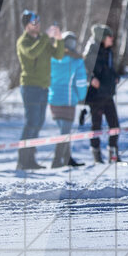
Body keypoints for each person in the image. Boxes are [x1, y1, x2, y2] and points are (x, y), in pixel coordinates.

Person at [16, 10, 64, 170]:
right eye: (34, 22)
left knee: (39, 122)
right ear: (26, 25)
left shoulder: (42, 41)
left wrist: (59, 39)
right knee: (31, 122)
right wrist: (46, 37)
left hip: (44, 87)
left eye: (38, 21)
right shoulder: (23, 41)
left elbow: (58, 55)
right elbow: (32, 53)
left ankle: (30, 159)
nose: (38, 25)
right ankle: (22, 160)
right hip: (30, 87)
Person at [48, 31, 88, 168]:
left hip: (53, 100)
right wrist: (82, 97)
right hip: (68, 100)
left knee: (63, 130)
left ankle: (67, 158)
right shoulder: (76, 61)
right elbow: (81, 82)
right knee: (65, 132)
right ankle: (56, 160)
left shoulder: (52, 58)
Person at [84, 24, 121, 163]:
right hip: (96, 95)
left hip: (108, 94)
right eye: (109, 36)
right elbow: (84, 69)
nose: (112, 39)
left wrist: (116, 76)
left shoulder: (109, 52)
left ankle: (113, 153)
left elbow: (110, 69)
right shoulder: (92, 51)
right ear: (102, 38)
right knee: (96, 126)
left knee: (115, 125)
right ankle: (96, 154)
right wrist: (91, 79)